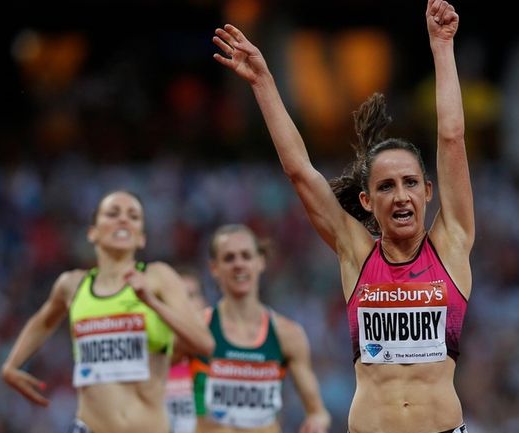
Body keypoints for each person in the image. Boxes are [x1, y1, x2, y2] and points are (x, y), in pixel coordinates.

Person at [212, 0, 473, 432]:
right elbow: (300, 172)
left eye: (410, 182)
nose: (401, 195)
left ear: (428, 191)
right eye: (386, 187)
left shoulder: (453, 243)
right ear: (367, 202)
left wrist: (442, 47)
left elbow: (452, 139)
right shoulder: (356, 254)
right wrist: (263, 82)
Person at [0, 190, 215, 433]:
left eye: (133, 216)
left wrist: (152, 302)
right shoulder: (72, 285)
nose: (123, 220)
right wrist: (12, 364)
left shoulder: (158, 277)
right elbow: (44, 321)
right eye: (112, 214)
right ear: (92, 232)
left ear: (141, 238)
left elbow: (204, 343)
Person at [187, 224, 331, 433]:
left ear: (260, 261)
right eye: (229, 258)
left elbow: (318, 411)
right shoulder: (197, 328)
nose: (239, 264)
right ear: (214, 268)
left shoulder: (287, 334)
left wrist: (317, 422)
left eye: (246, 256)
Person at [167, 267, 208, 433]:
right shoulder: (151, 360)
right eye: (176, 298)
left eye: (191, 295)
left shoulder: (224, 355)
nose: (185, 305)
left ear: (204, 301)